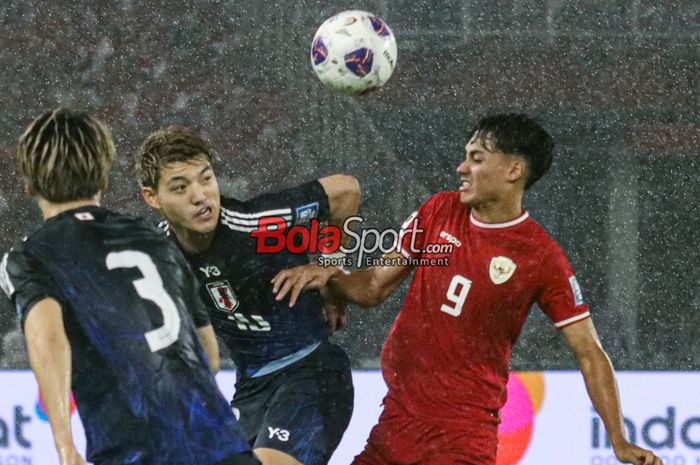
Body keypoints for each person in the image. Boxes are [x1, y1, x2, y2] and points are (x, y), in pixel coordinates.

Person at [271, 113, 664, 465]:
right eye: (465, 155)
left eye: (477, 158)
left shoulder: (541, 257)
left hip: (460, 438)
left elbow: (589, 352)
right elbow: (374, 286)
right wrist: (332, 278)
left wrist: (619, 439)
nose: (462, 167)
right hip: (395, 424)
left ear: (514, 170)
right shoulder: (438, 210)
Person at [0, 109, 258, 465]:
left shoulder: (30, 256)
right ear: (103, 180)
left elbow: (47, 339)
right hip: (224, 447)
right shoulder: (154, 238)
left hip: (136, 452)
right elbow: (208, 355)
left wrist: (65, 444)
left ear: (28, 185)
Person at [133, 126, 359, 465]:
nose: (200, 195)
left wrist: (332, 272)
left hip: (313, 373)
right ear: (152, 198)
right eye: (181, 187)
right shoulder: (155, 251)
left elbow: (346, 190)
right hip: (252, 389)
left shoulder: (255, 222)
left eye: (206, 179)